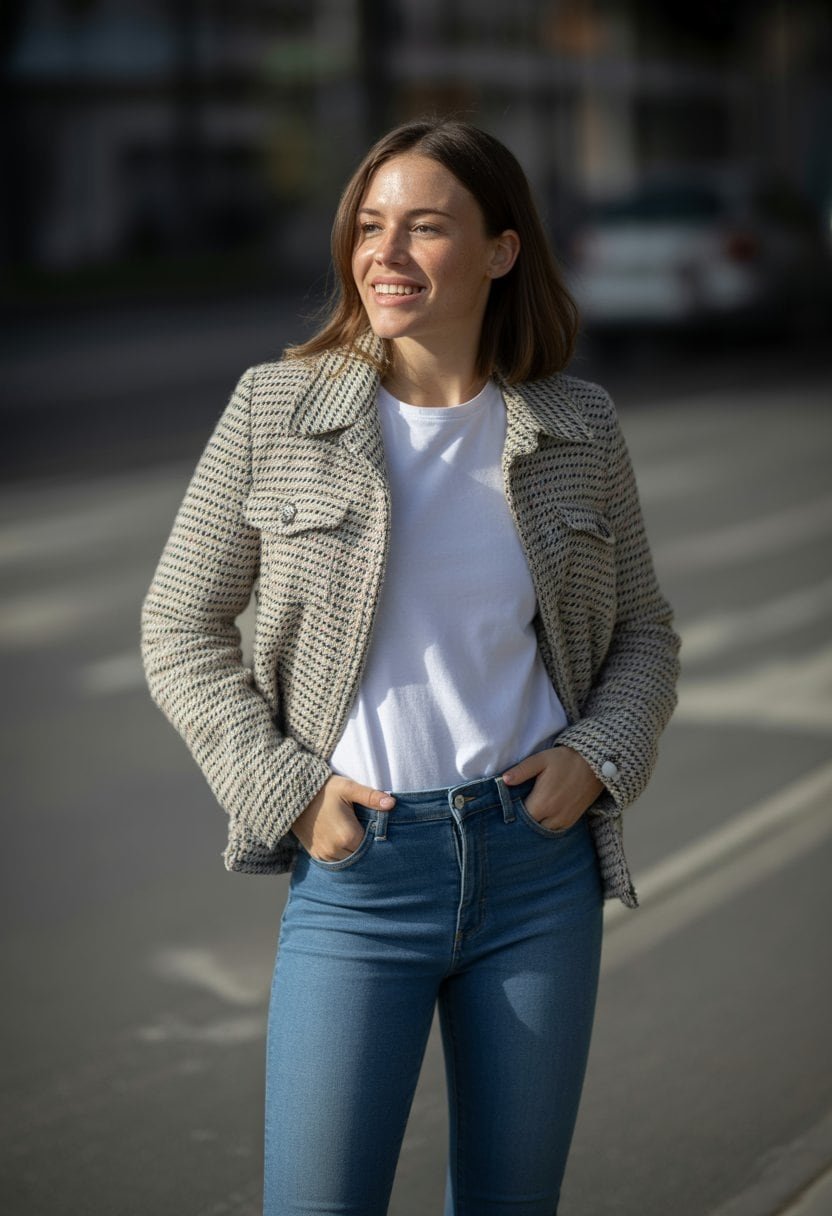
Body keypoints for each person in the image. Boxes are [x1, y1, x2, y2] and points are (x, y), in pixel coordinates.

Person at [141, 117, 680, 1216]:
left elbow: (645, 634)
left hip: (536, 869)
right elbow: (178, 624)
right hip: (359, 876)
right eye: (369, 226)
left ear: (499, 249)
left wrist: (596, 756)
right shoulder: (276, 408)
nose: (383, 254)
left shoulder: (577, 424)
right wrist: (289, 794)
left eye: (424, 227)